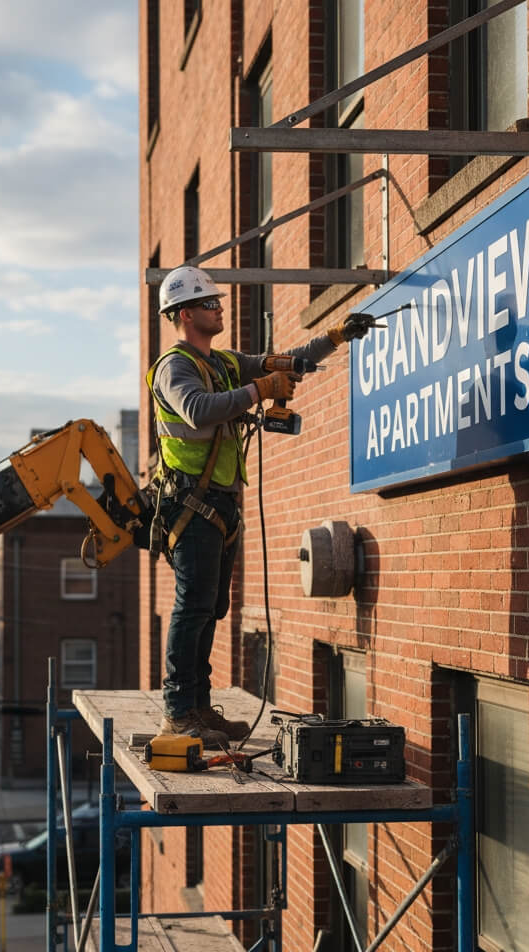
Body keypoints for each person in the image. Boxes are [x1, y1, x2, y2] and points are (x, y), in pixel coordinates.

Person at [146, 265, 373, 747]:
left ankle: (199, 709)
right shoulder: (175, 367)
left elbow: (285, 362)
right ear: (186, 314)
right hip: (190, 503)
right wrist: (258, 391)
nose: (220, 308)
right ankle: (177, 712)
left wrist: (335, 336)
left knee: (208, 608)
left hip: (220, 503)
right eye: (210, 303)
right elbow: (199, 409)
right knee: (192, 607)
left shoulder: (225, 362)